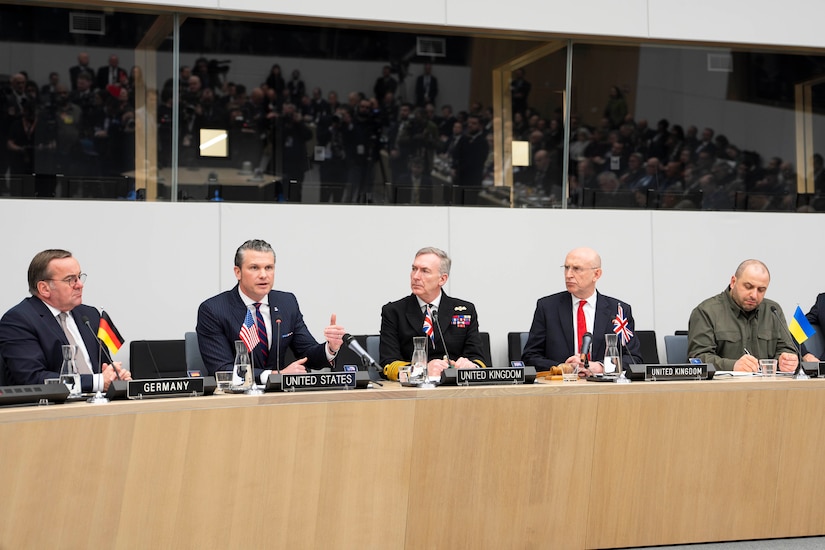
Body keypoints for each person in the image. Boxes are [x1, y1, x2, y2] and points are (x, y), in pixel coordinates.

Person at [196, 239, 346, 384]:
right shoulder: (213, 310)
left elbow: (308, 355)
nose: (263, 275)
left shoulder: (287, 303)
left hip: (280, 400)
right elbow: (222, 370)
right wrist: (275, 375)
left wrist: (330, 348)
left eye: (269, 268)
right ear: (238, 272)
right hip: (237, 400)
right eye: (254, 268)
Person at [0, 249, 131, 390]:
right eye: (70, 280)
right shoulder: (18, 321)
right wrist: (97, 382)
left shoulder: (89, 315)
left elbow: (104, 368)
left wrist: (115, 377)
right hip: (51, 409)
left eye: (79, 277)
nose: (80, 285)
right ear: (44, 288)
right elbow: (32, 378)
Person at [521, 247, 642, 374]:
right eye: (566, 268)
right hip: (561, 388)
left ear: (596, 274)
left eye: (577, 269)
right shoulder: (547, 307)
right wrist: (562, 368)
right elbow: (530, 357)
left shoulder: (618, 311)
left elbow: (634, 359)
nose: (568, 275)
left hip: (605, 388)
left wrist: (602, 367)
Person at [379, 247, 487, 381]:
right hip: (412, 392)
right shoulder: (394, 312)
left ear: (442, 279)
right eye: (414, 269)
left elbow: (478, 360)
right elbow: (388, 364)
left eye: (425, 271)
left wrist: (470, 367)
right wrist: (421, 371)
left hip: (456, 389)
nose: (416, 276)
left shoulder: (465, 310)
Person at [687, 259, 798, 372]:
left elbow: (787, 350)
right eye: (748, 286)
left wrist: (786, 361)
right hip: (723, 387)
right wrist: (733, 366)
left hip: (767, 386)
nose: (754, 295)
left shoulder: (773, 311)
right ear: (733, 282)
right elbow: (698, 359)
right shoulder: (706, 312)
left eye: (761, 290)